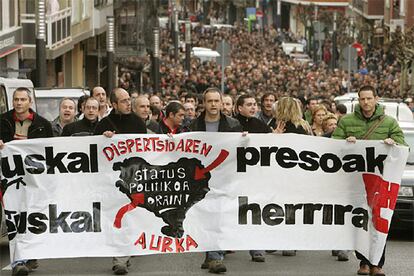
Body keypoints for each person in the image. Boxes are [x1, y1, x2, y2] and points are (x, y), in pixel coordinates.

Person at [332, 85, 407, 276]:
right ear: (359, 100)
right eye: (362, 99)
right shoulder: (347, 121)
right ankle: (363, 262)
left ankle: (377, 264)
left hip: (379, 181)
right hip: (355, 181)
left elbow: (403, 146)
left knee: (379, 222)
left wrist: (394, 143)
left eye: (369, 98)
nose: (365, 102)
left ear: (376, 99)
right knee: (360, 221)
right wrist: (344, 143)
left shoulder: (389, 122)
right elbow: (333, 145)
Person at [0, 87, 53, 276]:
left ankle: (30, 255)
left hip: (33, 180)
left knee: (29, 218)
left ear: (29, 102)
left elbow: (51, 152)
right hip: (9, 180)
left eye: (23, 99)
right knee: (14, 217)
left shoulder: (43, 124)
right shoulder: (3, 121)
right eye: (16, 99)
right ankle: (18, 261)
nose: (19, 103)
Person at [94, 88, 147, 275]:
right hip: (111, 181)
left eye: (128, 100)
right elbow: (93, 150)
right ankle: (120, 256)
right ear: (114, 105)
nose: (128, 104)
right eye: (123, 101)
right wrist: (103, 139)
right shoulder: (104, 124)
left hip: (134, 179)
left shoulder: (138, 122)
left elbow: (149, 149)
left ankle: (124, 254)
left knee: (130, 217)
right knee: (117, 217)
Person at [189, 87, 242, 274]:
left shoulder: (234, 125)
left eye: (216, 101)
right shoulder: (193, 125)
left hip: (224, 177)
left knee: (219, 215)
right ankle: (210, 253)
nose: (213, 104)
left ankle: (215, 256)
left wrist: (243, 140)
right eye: (209, 101)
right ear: (204, 103)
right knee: (205, 215)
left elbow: (239, 152)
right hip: (200, 178)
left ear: (221, 103)